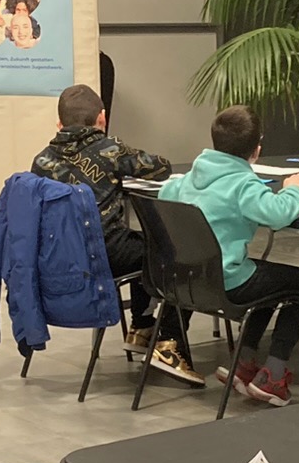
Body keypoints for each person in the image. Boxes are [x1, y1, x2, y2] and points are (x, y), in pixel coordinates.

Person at [31, 83, 200, 385]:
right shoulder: (109, 151)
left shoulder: (41, 161)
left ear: (59, 124)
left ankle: (142, 329)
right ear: (102, 118)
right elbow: (160, 167)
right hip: (104, 253)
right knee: (170, 251)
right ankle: (166, 341)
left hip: (61, 259)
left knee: (143, 247)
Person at [159, 104, 299, 407]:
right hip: (226, 283)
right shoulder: (243, 184)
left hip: (186, 282)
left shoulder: (189, 178)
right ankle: (273, 372)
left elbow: (167, 195)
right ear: (256, 151)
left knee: (267, 281)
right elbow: (278, 215)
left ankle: (244, 362)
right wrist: (293, 189)